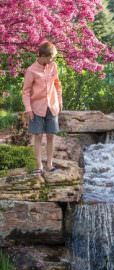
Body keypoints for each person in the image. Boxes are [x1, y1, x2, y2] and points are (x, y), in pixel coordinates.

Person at [22, 41, 63, 174]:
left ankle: (50, 164)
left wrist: (60, 101)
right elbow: (26, 91)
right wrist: (28, 109)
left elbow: (57, 84)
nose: (52, 60)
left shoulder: (53, 66)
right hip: (36, 108)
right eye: (50, 57)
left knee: (51, 135)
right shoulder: (31, 70)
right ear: (43, 56)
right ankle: (39, 165)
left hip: (52, 106)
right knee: (38, 136)